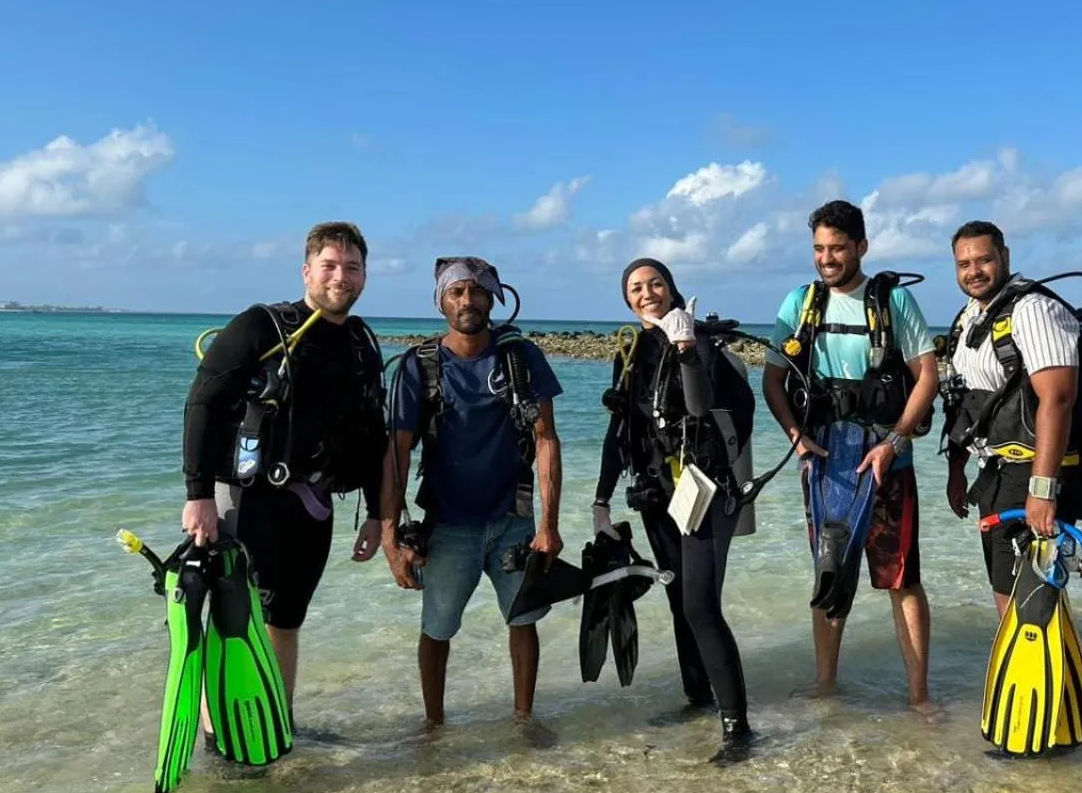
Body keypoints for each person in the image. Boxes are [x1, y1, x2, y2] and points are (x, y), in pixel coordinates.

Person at [180, 220, 387, 725]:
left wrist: (378, 514)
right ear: (307, 270)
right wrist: (198, 495)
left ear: (364, 277)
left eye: (352, 267)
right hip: (249, 497)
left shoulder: (361, 341)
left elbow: (375, 434)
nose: (341, 276)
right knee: (234, 616)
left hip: (313, 505)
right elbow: (202, 404)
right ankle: (216, 733)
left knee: (287, 619)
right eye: (330, 265)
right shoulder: (262, 326)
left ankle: (277, 725)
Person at [762, 200, 940, 708]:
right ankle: (825, 683)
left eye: (837, 247)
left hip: (888, 460)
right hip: (824, 461)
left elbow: (927, 375)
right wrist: (796, 435)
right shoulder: (800, 304)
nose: (827, 258)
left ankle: (919, 695)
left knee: (901, 578)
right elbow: (772, 381)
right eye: (819, 248)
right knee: (829, 569)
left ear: (861, 247)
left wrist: (895, 441)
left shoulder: (892, 302)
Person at [381, 257, 564, 730]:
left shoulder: (522, 358)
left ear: (495, 298)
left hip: (513, 519)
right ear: (440, 300)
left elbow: (546, 440)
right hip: (446, 526)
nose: (468, 300)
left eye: (478, 291)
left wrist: (549, 526)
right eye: (456, 292)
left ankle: (524, 721)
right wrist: (389, 536)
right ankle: (433, 728)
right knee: (436, 630)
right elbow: (397, 452)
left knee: (523, 621)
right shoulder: (417, 366)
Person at [594, 257, 757, 764]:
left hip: (706, 488)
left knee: (700, 605)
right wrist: (600, 499)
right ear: (626, 299)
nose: (647, 293)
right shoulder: (628, 353)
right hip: (658, 494)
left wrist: (685, 347)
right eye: (636, 287)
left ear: (673, 288)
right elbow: (619, 433)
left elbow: (700, 407)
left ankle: (738, 728)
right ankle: (698, 698)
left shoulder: (700, 341)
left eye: (656, 283)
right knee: (678, 601)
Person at [940, 220, 1082, 612]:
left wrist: (1042, 490)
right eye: (963, 263)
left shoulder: (1033, 310)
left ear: (1004, 257)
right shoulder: (970, 317)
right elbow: (966, 400)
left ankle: (1038, 672)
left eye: (984, 259)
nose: (973, 271)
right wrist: (957, 470)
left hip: (1035, 471)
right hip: (995, 471)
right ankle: (1019, 671)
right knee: (1006, 589)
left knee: (1032, 600)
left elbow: (1058, 399)